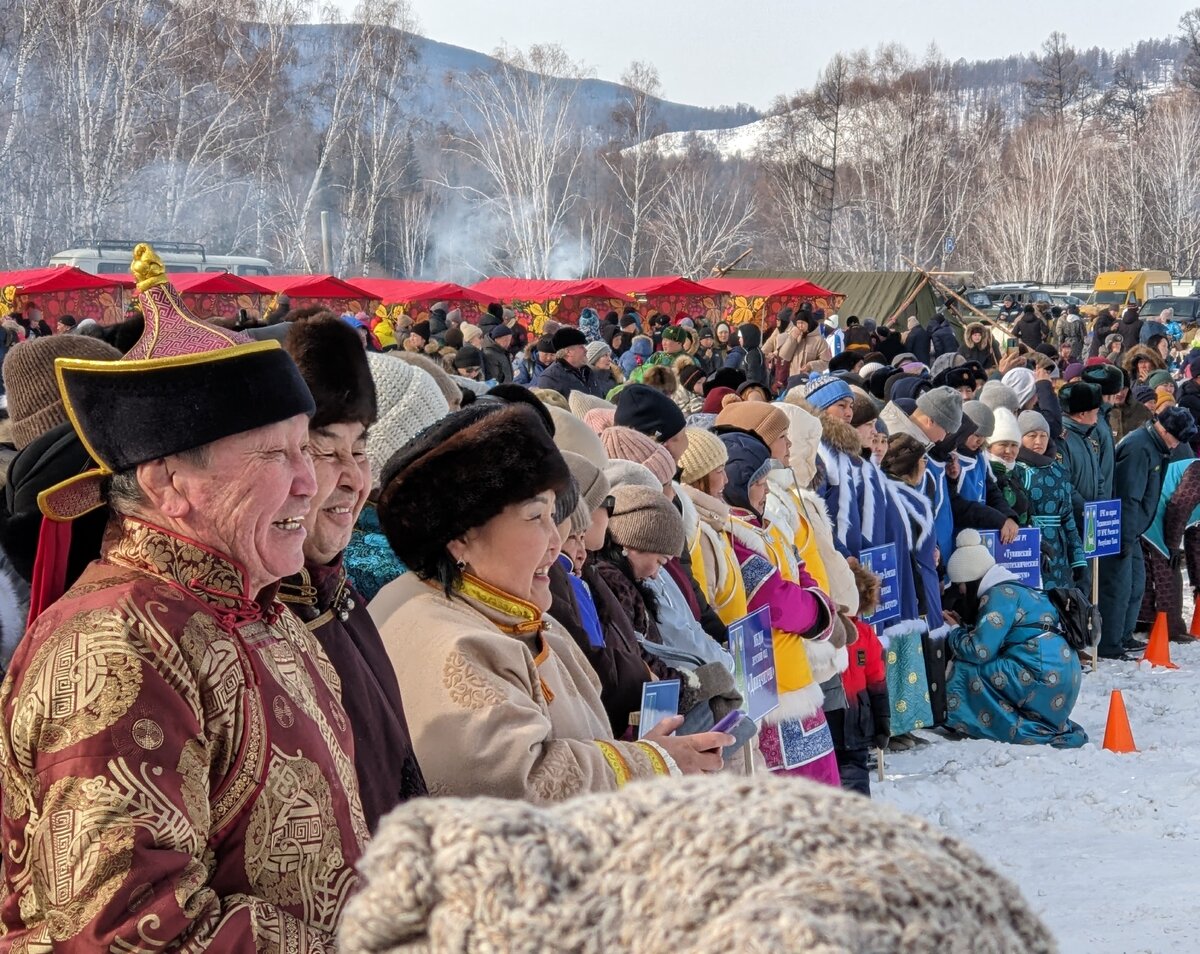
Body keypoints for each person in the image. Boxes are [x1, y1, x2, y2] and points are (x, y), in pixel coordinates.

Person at [0, 245, 368, 948]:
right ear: (170, 482)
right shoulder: (114, 646)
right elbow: (128, 932)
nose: (309, 484)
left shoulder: (262, 608)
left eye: (306, 450)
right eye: (275, 455)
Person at [369, 402, 733, 799]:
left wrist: (643, 751)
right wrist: (650, 762)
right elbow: (520, 784)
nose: (556, 541)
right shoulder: (452, 642)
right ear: (461, 534)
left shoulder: (506, 608)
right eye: (535, 517)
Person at [280, 317, 427, 831]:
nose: (354, 478)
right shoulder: (251, 617)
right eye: (324, 450)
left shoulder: (337, 592)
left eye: (360, 449)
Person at [943, 530, 1087, 748]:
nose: (961, 592)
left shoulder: (998, 595)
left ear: (971, 580)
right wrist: (964, 625)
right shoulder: (1016, 588)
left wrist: (954, 631)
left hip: (1042, 677)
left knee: (965, 667)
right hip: (1063, 676)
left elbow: (979, 651)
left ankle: (968, 722)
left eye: (961, 586)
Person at [1097, 407, 1198, 659]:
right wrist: (1170, 545)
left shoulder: (1158, 447)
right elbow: (1133, 497)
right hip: (1130, 527)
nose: (1178, 446)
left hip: (1141, 523)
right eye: (1177, 439)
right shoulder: (1139, 447)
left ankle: (1125, 635)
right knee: (1123, 586)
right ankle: (1111, 642)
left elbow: (1195, 534)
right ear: (1164, 429)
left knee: (1136, 584)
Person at [1017, 410, 1087, 591]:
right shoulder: (1016, 470)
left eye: (1043, 436)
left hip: (1058, 551)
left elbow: (1067, 517)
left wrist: (1078, 559)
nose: (1038, 441)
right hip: (1027, 547)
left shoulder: (1058, 469)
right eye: (1031, 436)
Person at [537, 326, 607, 398]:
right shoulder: (550, 378)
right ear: (568, 352)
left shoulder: (588, 372)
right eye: (581, 347)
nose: (586, 350)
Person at [723, 323, 769, 388]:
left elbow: (753, 378)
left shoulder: (753, 355)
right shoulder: (753, 351)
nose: (739, 340)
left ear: (748, 337)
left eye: (741, 337)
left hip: (753, 391)